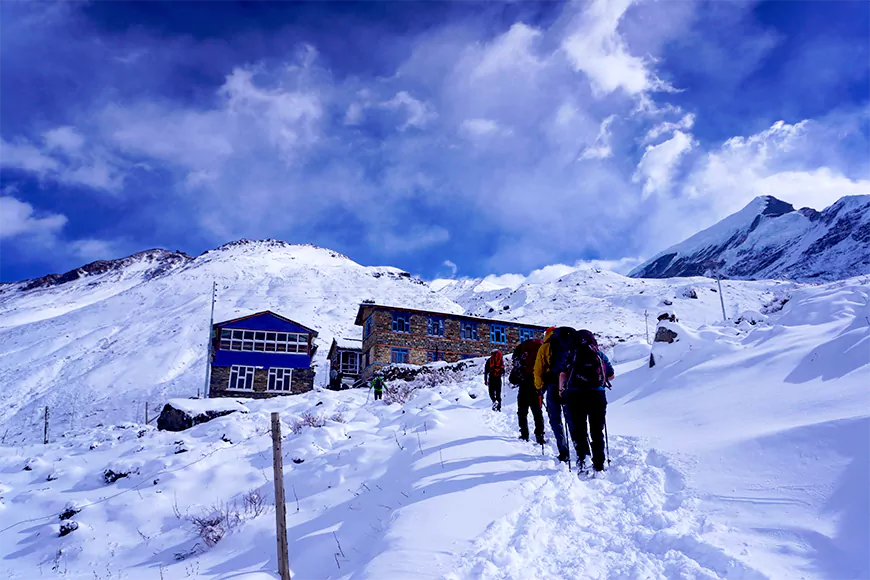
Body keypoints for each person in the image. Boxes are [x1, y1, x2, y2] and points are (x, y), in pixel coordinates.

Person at [558, 329, 614, 472]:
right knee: (597, 430)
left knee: (579, 429)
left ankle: (584, 459)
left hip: (576, 395)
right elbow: (611, 375)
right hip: (597, 395)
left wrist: (561, 391)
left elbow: (563, 374)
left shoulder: (570, 354)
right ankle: (599, 463)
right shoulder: (599, 354)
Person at [534, 327, 575, 463]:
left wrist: (539, 388)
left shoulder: (545, 347)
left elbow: (538, 370)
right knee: (571, 419)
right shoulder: (570, 343)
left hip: (552, 386)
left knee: (555, 419)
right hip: (569, 386)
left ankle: (563, 451)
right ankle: (580, 450)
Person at [509, 338, 545, 445]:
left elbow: (513, 378)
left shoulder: (520, 352)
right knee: (537, 412)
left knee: (522, 412)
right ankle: (540, 436)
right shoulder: (540, 350)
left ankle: (524, 434)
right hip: (536, 385)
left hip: (524, 385)